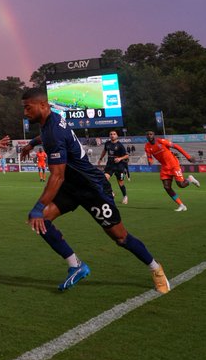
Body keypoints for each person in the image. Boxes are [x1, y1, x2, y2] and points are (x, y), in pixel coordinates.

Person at [19, 89, 170, 293]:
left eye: (28, 108)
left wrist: (38, 206)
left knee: (120, 238)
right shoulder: (50, 121)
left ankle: (156, 268)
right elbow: (44, 136)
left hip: (93, 189)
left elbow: (57, 176)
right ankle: (76, 266)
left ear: (43, 105)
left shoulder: (54, 130)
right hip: (72, 188)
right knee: (41, 221)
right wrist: (31, 143)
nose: (25, 113)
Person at [143, 131, 200, 211]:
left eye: (151, 134)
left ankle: (190, 179)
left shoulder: (161, 141)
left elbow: (176, 146)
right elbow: (149, 156)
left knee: (181, 185)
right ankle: (181, 205)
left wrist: (188, 157)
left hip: (173, 165)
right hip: (164, 167)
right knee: (166, 187)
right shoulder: (147, 146)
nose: (149, 136)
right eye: (147, 134)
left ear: (154, 135)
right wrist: (150, 161)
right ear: (146, 136)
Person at [98, 130, 130, 204]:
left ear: (117, 136)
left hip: (119, 166)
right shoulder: (107, 144)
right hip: (110, 165)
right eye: (111, 134)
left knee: (120, 183)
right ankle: (111, 192)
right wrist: (100, 159)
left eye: (114, 134)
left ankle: (125, 196)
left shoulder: (120, 145)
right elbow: (104, 151)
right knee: (104, 179)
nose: (112, 135)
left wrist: (120, 158)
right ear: (109, 136)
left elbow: (127, 155)